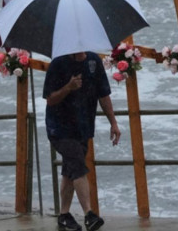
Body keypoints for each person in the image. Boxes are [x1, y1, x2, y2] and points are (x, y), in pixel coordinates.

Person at [43, 51, 121, 231]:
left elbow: (103, 94)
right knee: (78, 165)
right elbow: (50, 99)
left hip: (83, 125)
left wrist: (114, 123)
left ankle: (64, 215)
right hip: (59, 127)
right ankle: (89, 214)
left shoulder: (94, 61)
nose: (81, 52)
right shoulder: (58, 64)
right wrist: (68, 87)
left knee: (69, 171)